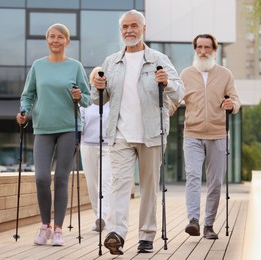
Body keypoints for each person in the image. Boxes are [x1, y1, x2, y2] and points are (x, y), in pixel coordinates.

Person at [91, 9, 184, 255]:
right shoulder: (112, 61)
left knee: (148, 188)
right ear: (120, 31)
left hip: (152, 134)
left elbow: (179, 92)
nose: (129, 30)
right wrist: (97, 87)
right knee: (119, 185)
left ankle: (146, 235)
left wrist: (167, 83)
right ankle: (116, 234)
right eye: (125, 27)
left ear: (143, 29)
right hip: (120, 134)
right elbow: (98, 100)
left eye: (134, 26)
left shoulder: (158, 59)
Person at [16, 23, 91, 246]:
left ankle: (58, 229)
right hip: (43, 128)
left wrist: (79, 96)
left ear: (67, 41)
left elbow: (88, 98)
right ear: (47, 40)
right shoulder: (38, 66)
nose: (55, 40)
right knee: (40, 177)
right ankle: (44, 226)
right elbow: (27, 96)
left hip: (69, 127)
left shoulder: (75, 67)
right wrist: (23, 112)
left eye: (60, 37)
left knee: (60, 178)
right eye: (51, 37)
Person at [174, 33, 241, 240]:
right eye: (199, 47)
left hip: (218, 134)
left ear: (214, 50)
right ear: (195, 50)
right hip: (192, 135)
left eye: (207, 47)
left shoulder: (225, 74)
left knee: (215, 182)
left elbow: (236, 100)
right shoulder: (185, 74)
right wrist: (163, 109)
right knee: (193, 176)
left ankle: (209, 225)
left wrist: (232, 105)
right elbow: (175, 101)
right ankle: (193, 220)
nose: (203, 51)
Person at [80, 66, 111, 232]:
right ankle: (97, 217)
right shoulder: (86, 101)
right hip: (88, 146)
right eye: (96, 78)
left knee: (104, 184)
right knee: (92, 185)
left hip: (109, 147)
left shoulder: (112, 99)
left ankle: (102, 216)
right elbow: (81, 122)